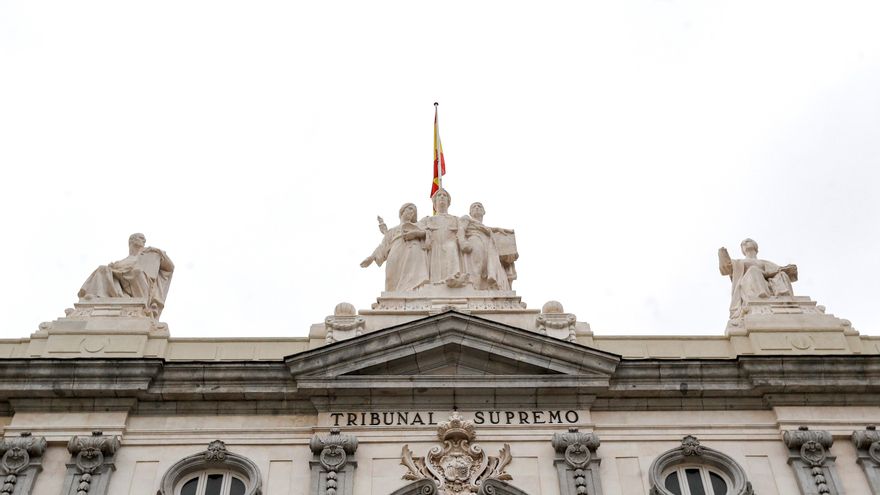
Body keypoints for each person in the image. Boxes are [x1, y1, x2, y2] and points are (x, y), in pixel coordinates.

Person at [78, 233, 174, 318]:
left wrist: (160, 253)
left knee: (136, 272)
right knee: (102, 268)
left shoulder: (150, 254)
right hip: (121, 284)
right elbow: (115, 270)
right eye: (141, 238)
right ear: (132, 240)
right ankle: (96, 296)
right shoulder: (123, 261)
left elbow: (170, 267)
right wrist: (114, 268)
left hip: (140, 286)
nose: (144, 240)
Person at [718, 238, 797, 319]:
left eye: (748, 241)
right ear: (742, 249)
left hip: (766, 283)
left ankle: (783, 298)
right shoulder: (738, 262)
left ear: (755, 246)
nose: (745, 243)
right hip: (749, 285)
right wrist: (722, 253)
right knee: (753, 270)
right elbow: (725, 268)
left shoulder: (765, 262)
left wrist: (789, 269)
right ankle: (762, 298)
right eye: (743, 244)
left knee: (781, 274)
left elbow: (779, 271)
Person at [361, 203, 429, 292]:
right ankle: (391, 299)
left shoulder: (418, 226)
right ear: (402, 211)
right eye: (410, 208)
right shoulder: (392, 230)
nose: (412, 212)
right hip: (396, 251)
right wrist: (371, 258)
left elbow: (428, 235)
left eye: (414, 211)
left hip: (414, 251)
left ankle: (414, 296)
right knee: (391, 277)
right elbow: (383, 245)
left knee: (413, 277)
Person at [421, 188, 467, 287]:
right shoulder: (428, 220)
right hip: (434, 248)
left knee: (451, 247)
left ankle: (454, 278)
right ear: (434, 202)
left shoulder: (455, 219)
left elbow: (465, 232)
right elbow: (414, 228)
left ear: (448, 202)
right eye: (439, 195)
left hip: (451, 247)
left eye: (444, 195)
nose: (442, 197)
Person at [460, 202, 511, 290]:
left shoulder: (484, 228)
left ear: (484, 212)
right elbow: (461, 229)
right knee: (477, 266)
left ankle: (485, 288)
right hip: (475, 240)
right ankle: (474, 288)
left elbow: (484, 228)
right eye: (473, 207)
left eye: (479, 206)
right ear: (470, 212)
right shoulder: (466, 218)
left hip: (487, 244)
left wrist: (497, 229)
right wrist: (462, 242)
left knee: (488, 268)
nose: (476, 207)